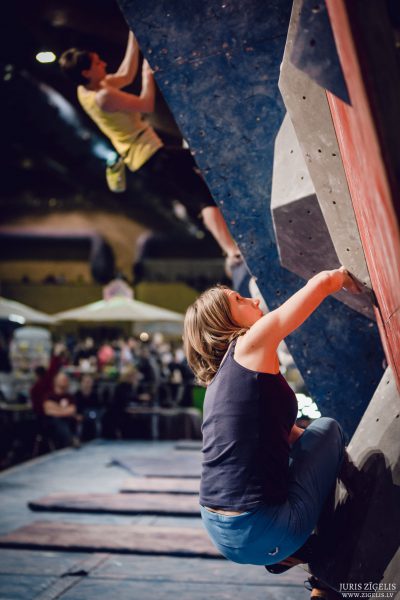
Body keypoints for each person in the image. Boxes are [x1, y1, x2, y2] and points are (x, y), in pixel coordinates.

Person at [183, 267, 360, 596]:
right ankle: (334, 543)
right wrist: (341, 278)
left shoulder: (217, 382)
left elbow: (282, 434)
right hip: (262, 528)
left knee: (309, 439)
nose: (251, 299)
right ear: (224, 320)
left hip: (221, 530)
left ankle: (291, 553)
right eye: (238, 300)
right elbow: (310, 293)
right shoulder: (248, 347)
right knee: (328, 429)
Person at [59, 32, 242, 272]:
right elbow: (145, 103)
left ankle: (229, 246)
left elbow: (125, 75)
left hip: (149, 155)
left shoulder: (87, 91)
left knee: (201, 177)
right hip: (151, 156)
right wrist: (148, 75)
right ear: (86, 73)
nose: (103, 63)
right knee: (202, 197)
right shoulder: (103, 97)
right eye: (97, 63)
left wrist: (133, 38)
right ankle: (231, 252)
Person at [43, 372, 80, 448]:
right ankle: (70, 441)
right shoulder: (49, 395)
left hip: (68, 421)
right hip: (53, 423)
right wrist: (64, 410)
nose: (64, 381)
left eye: (65, 380)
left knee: (72, 420)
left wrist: (56, 408)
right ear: (56, 381)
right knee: (58, 421)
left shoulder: (69, 396)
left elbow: (72, 410)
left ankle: (72, 441)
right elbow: (48, 411)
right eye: (62, 379)